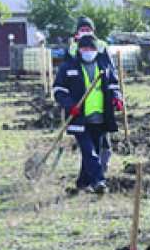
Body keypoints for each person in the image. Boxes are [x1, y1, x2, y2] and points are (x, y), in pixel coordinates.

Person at [53, 35, 124, 194]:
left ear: (96, 49)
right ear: (79, 50)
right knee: (88, 151)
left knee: (95, 151)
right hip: (78, 117)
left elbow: (113, 85)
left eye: (91, 48)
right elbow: (58, 90)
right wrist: (70, 105)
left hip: (99, 117)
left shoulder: (103, 65)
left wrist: (116, 98)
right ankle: (99, 181)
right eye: (84, 48)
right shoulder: (69, 66)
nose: (88, 51)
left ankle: (82, 183)